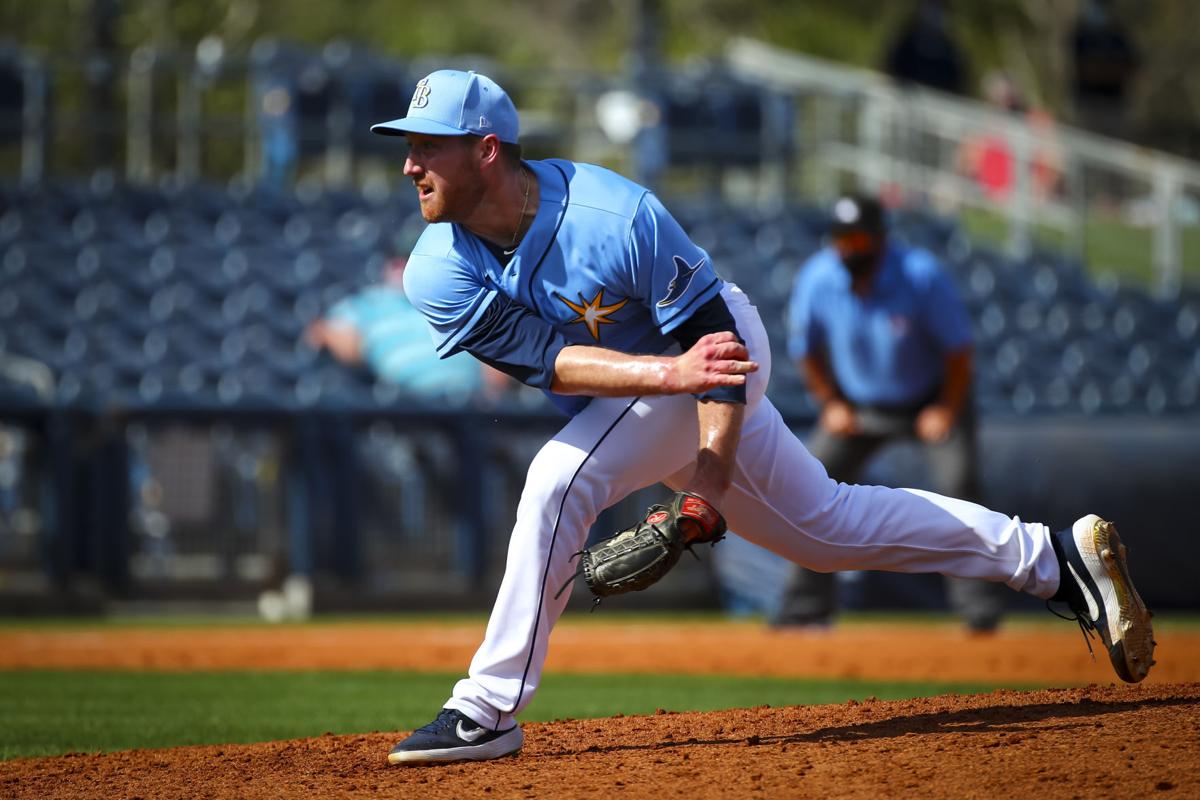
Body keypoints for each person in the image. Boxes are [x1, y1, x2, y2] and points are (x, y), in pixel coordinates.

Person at [370, 69, 1155, 765]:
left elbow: (712, 353)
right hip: (654, 380)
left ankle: (487, 708)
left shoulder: (615, 215)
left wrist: (705, 483)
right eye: (406, 145)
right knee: (823, 532)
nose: (409, 164)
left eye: (426, 146)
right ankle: (1052, 558)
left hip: (721, 349)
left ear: (485, 149)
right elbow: (546, 360)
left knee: (555, 477)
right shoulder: (438, 264)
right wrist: (666, 381)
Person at [776, 194, 1005, 632]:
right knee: (805, 481)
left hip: (930, 399)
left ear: (880, 240)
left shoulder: (920, 274)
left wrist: (944, 408)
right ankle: (804, 610)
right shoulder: (819, 277)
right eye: (842, 239)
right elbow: (805, 351)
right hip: (860, 406)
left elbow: (959, 352)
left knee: (959, 486)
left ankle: (979, 612)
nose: (850, 248)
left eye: (859, 238)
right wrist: (832, 403)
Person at [305, 255, 509, 405]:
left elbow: (495, 356)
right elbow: (325, 335)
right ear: (389, 266)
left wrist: (493, 391)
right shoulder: (369, 303)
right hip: (407, 404)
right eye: (401, 260)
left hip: (471, 400)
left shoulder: (455, 298)